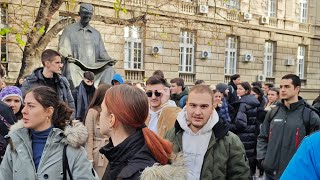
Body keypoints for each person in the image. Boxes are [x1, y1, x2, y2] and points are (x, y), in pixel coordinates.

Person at [0, 86, 98, 179]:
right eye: (24, 105)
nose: (23, 111)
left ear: (48, 111)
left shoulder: (70, 147)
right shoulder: (16, 142)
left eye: (31, 106)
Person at [165, 85, 250, 179]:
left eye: (204, 106)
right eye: (193, 105)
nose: (197, 112)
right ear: (186, 104)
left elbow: (241, 176)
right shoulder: (171, 135)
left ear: (213, 107)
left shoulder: (230, 141)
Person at [99, 85, 184, 179]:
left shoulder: (136, 172)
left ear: (112, 119)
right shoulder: (119, 152)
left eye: (102, 110)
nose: (100, 114)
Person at [257, 74, 320, 179]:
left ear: (297, 89)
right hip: (270, 174)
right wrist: (263, 160)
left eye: (287, 86)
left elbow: (316, 147)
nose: (282, 90)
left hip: (295, 174)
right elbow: (262, 137)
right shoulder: (273, 112)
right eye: (281, 87)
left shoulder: (309, 115)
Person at [59, 3, 116, 88]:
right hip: (77, 68)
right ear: (79, 14)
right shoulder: (69, 30)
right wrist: (68, 55)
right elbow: (62, 48)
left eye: (89, 16)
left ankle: (101, 96)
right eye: (85, 15)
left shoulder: (96, 34)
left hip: (94, 70)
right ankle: (76, 96)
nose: (87, 18)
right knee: (70, 67)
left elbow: (102, 53)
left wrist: (109, 60)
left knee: (110, 70)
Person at [21, 49, 75, 119]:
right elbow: (24, 104)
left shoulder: (63, 81)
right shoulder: (30, 82)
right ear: (47, 63)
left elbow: (70, 103)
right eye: (57, 62)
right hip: (38, 122)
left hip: (60, 122)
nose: (61, 65)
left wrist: (70, 119)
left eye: (60, 62)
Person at [229, 82, 260, 177]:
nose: (238, 91)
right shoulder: (252, 101)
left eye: (240, 89)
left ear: (246, 91)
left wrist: (229, 126)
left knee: (242, 162)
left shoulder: (243, 103)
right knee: (249, 161)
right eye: (237, 88)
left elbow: (240, 124)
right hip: (251, 135)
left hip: (243, 137)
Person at [84, 84, 112, 178]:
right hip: (98, 154)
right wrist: (89, 158)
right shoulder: (92, 112)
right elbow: (89, 137)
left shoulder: (113, 111)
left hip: (111, 152)